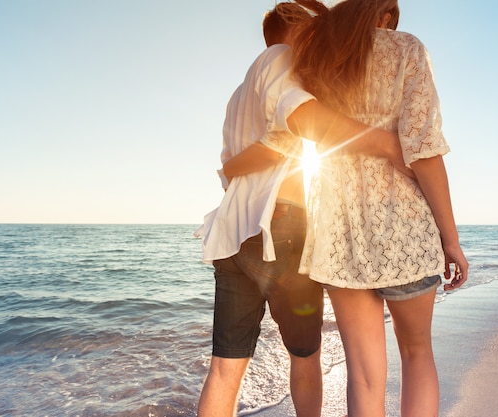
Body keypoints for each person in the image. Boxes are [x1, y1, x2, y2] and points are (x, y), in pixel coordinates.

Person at [226, 1, 469, 415]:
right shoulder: (405, 48)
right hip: (404, 229)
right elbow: (423, 149)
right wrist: (452, 239)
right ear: (386, 16)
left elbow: (294, 130)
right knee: (416, 354)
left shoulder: (316, 56)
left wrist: (231, 167)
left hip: (340, 234)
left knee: (364, 376)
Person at [194, 3, 411, 417]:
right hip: (281, 227)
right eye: (312, 29)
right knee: (305, 357)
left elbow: (229, 171)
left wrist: (240, 163)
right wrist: (385, 144)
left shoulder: (239, 93)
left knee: (225, 369)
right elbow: (301, 122)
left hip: (232, 236)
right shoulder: (281, 58)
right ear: (295, 29)